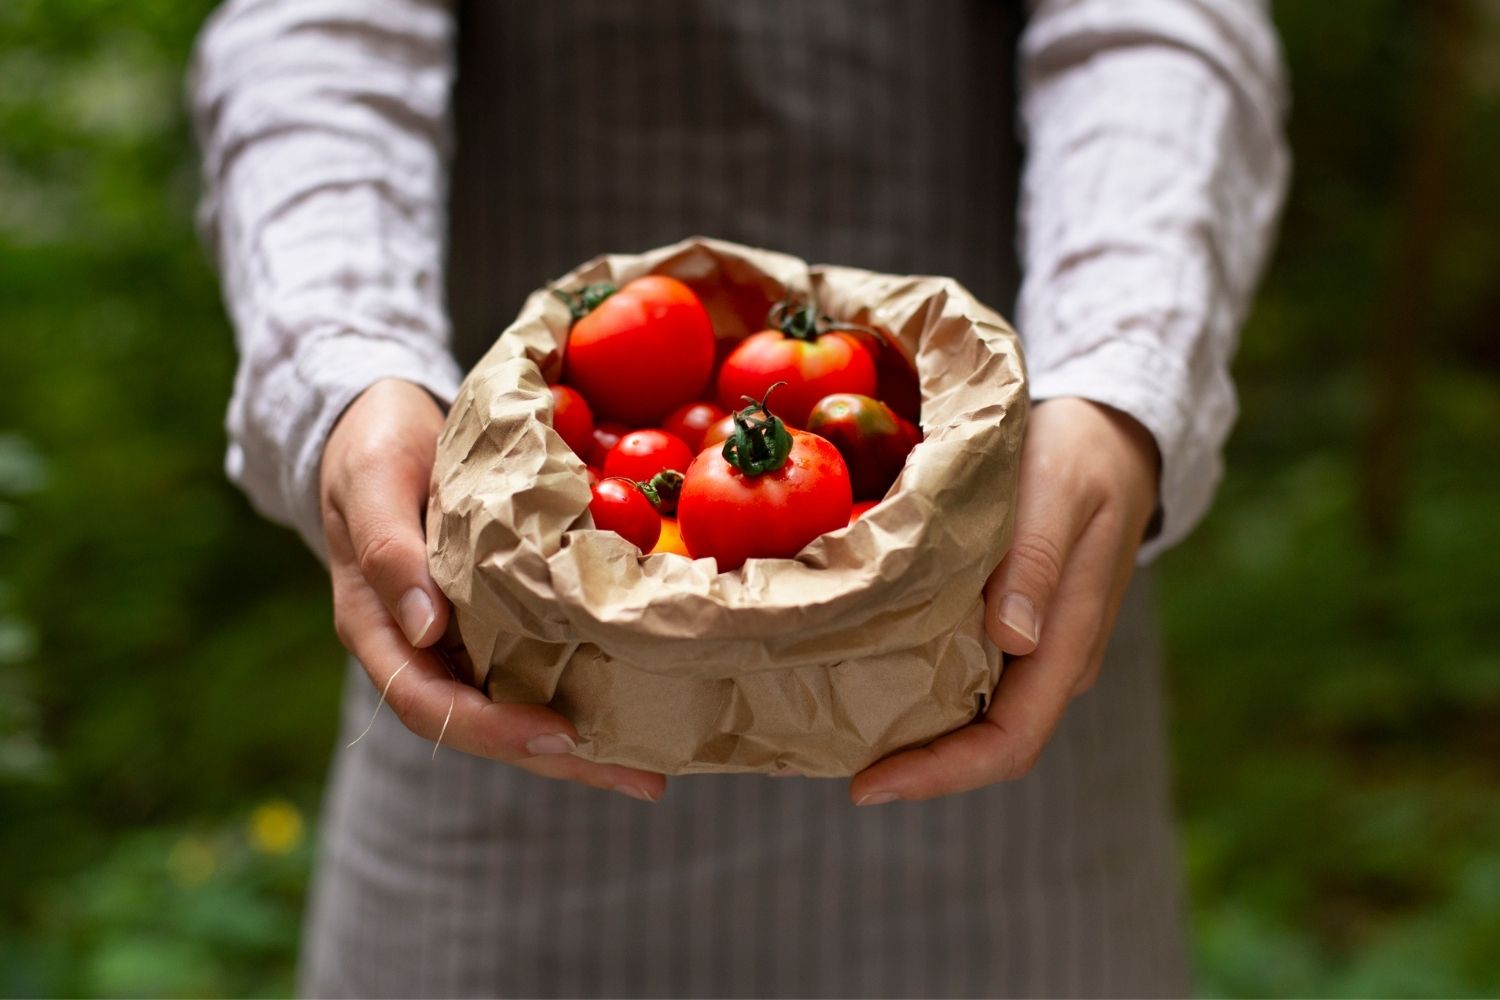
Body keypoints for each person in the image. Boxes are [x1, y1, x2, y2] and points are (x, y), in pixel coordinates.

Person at [191, 0, 1288, 995]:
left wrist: (1117, 380)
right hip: (514, 646)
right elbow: (316, 32)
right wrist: (344, 365)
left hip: (983, 605)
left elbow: (1156, 26)